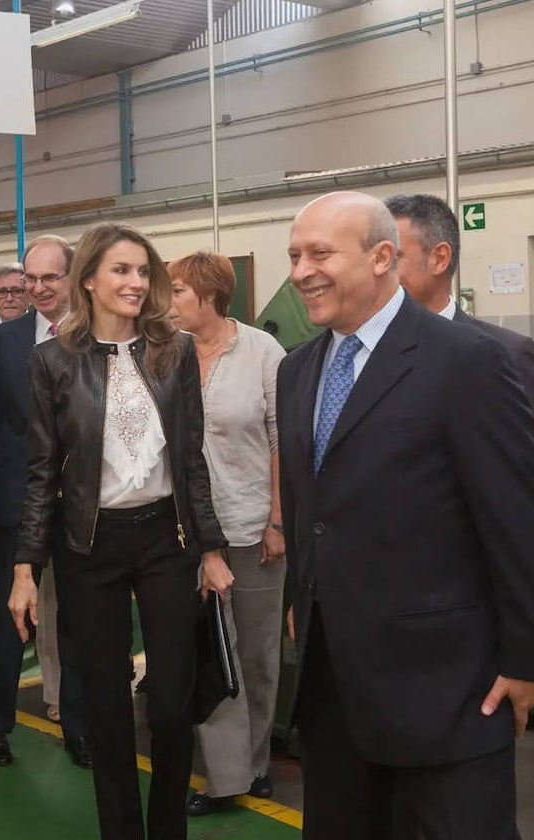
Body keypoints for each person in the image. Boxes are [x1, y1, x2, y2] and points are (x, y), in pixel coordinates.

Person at [279, 191, 534, 839]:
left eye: (319, 254)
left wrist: (524, 658)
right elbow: (312, 504)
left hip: (449, 692)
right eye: (293, 255)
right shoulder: (297, 371)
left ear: (382, 257)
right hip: (333, 688)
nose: (301, 271)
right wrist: (298, 599)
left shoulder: (467, 362)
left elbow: (514, 521)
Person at [10, 222, 228, 840]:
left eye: (142, 271)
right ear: (89, 282)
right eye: (121, 271)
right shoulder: (52, 361)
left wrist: (209, 548)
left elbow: (190, 459)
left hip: (166, 541)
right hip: (89, 547)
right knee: (106, 709)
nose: (135, 282)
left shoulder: (175, 351)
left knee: (170, 707)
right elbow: (40, 473)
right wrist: (26, 567)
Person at [166, 252, 286, 815]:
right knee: (212, 653)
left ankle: (256, 762)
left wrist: (277, 521)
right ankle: (224, 776)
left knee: (258, 656)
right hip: (189, 534)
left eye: (178, 291)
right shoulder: (166, 354)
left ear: (210, 294)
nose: (168, 301)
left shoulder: (262, 351)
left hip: (254, 528)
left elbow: (284, 441)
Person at [0, 235, 89, 769]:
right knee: (6, 620)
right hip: (17, 503)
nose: (39, 288)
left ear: (74, 277)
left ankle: (81, 727)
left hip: (82, 506)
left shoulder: (95, 336)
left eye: (51, 277)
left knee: (77, 621)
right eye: (31, 278)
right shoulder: (3, 340)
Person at [385, 193, 534, 396]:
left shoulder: (508, 354)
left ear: (439, 259)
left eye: (392, 258)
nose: (377, 271)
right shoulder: (358, 352)